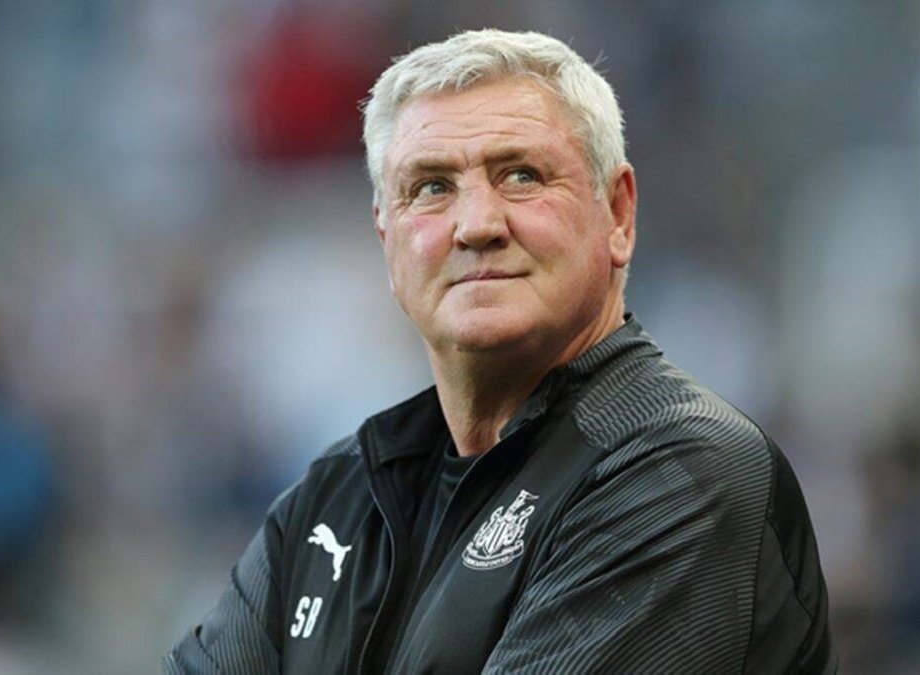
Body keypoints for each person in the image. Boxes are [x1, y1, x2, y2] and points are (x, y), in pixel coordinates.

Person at [164, 29, 834, 674]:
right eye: (432, 187)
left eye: (520, 175)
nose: (477, 225)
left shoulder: (687, 473)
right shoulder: (329, 502)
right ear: (386, 239)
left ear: (618, 215)